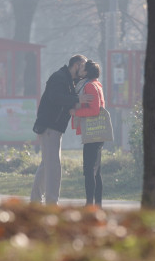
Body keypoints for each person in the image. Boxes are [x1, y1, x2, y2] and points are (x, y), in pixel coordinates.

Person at [30, 54, 90, 205]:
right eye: (83, 67)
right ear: (76, 65)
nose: (85, 71)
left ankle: (35, 201)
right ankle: (52, 202)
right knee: (53, 167)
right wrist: (77, 99)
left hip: (53, 127)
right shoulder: (59, 77)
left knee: (46, 165)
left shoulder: (68, 80)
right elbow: (55, 97)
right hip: (50, 127)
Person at [71, 60, 106, 207]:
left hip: (93, 133)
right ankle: (96, 204)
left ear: (86, 73)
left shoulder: (90, 86)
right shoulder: (95, 84)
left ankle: (90, 204)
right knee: (95, 171)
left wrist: (76, 112)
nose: (80, 69)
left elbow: (94, 110)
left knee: (89, 170)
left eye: (83, 68)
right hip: (96, 133)